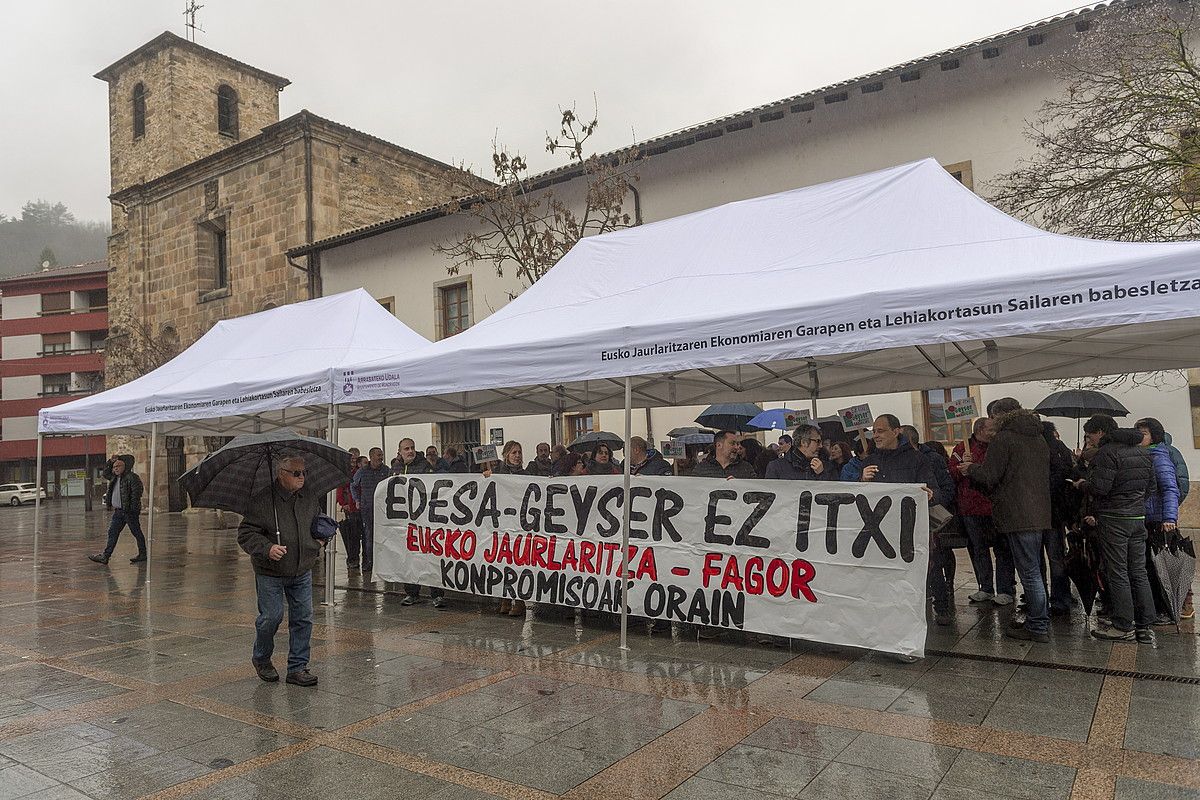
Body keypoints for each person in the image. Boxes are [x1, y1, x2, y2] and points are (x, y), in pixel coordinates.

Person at [961, 398, 1052, 643]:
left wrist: (970, 469)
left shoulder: (1004, 438)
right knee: (1035, 569)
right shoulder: (1038, 436)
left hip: (1017, 512)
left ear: (999, 415)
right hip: (1038, 511)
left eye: (991, 416)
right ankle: (1039, 620)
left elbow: (990, 475)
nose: (990, 421)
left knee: (1029, 572)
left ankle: (1038, 625)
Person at [237, 455, 321, 687]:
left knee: (303, 618)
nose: (302, 477)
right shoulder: (263, 500)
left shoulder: (309, 496)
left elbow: (316, 522)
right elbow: (245, 534)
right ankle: (262, 657)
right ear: (281, 474)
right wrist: (267, 548)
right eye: (296, 473)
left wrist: (320, 540)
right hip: (270, 571)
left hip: (302, 567)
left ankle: (297, 667)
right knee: (271, 617)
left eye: (304, 472)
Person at [1074, 415, 1157, 643]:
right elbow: (1152, 486)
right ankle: (1143, 625)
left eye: (1090, 435)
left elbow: (1100, 488)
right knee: (1138, 571)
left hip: (1114, 518)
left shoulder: (1108, 453)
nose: (1089, 440)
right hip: (1137, 517)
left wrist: (1083, 485)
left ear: (1100, 432)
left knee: (1118, 571)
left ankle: (1122, 625)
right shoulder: (1142, 451)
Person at [862, 418, 948, 626]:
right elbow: (860, 497)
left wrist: (930, 495)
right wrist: (862, 480)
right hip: (881, 530)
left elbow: (937, 491)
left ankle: (941, 607)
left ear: (897, 431)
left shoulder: (916, 459)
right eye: (874, 431)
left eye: (881, 431)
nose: (876, 435)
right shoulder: (869, 460)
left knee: (927, 568)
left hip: (911, 528)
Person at [950, 417, 1016, 606]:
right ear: (980, 430)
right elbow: (951, 473)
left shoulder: (998, 447)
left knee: (1002, 550)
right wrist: (961, 468)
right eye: (991, 429)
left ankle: (1005, 589)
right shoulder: (962, 449)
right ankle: (985, 587)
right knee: (979, 549)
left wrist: (973, 467)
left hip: (995, 507)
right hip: (971, 507)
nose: (994, 432)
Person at [1136, 417, 1180, 625]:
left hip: (1157, 519)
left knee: (1159, 567)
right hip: (1146, 517)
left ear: (1154, 435)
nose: (1139, 436)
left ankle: (1165, 610)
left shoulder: (1158, 456)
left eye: (1143, 433)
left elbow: (1170, 488)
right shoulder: (1144, 455)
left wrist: (1169, 517)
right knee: (1148, 566)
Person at [390, 438, 442, 607]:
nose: (410, 451)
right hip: (405, 521)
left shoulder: (425, 466)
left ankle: (437, 594)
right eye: (406, 448)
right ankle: (412, 593)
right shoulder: (395, 468)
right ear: (400, 451)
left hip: (424, 520)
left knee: (429, 556)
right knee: (408, 558)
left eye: (412, 447)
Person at [88, 454, 148, 565]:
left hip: (129, 511)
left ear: (124, 466)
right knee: (113, 532)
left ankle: (143, 554)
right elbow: (106, 473)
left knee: (136, 532)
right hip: (118, 511)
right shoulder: (114, 478)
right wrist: (110, 462)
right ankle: (106, 556)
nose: (115, 468)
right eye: (114, 467)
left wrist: (133, 509)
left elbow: (136, 493)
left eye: (118, 466)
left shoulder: (132, 477)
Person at [1041, 421, 1075, 615]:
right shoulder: (1062, 449)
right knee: (1057, 557)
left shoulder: (1040, 449)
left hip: (1042, 511)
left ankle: (1043, 598)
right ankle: (1062, 596)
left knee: (1041, 559)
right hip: (1058, 512)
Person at [349, 447, 391, 575]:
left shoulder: (386, 470)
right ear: (371, 456)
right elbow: (353, 485)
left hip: (383, 508)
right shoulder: (362, 471)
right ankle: (369, 562)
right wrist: (357, 499)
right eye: (378, 455)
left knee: (385, 535)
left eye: (382, 455)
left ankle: (384, 562)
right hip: (367, 509)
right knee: (368, 535)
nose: (381, 458)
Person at [765, 424, 838, 480]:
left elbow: (834, 495)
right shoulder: (776, 467)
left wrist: (822, 474)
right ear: (804, 442)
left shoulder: (827, 466)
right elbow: (769, 496)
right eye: (817, 441)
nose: (821, 446)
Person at [336, 450, 364, 573]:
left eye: (355, 459)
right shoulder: (344, 472)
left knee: (357, 536)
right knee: (349, 537)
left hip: (358, 508)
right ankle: (352, 559)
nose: (353, 461)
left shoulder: (359, 472)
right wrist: (343, 503)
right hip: (348, 509)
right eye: (351, 459)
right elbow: (339, 489)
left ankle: (355, 559)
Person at [692, 431, 757, 479]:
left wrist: (738, 485)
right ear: (719, 445)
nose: (736, 447)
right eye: (732, 443)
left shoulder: (746, 468)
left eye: (737, 444)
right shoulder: (701, 469)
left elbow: (755, 491)